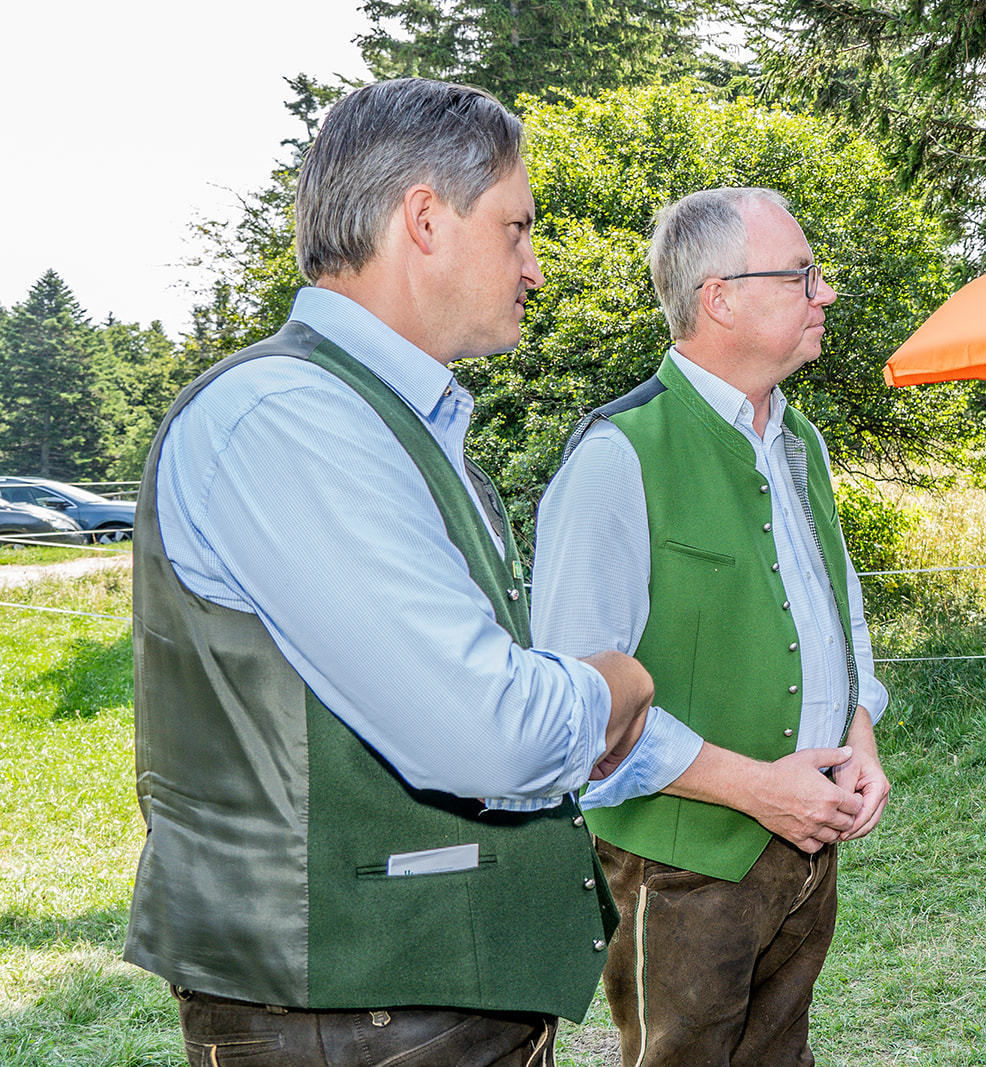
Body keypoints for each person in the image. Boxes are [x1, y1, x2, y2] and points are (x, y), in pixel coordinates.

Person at [124, 78, 655, 1066]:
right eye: (516, 227)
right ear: (423, 219)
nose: (535, 267)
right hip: (358, 1018)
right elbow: (486, 731)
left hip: (400, 1009)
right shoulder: (290, 419)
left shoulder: (370, 417)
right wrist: (618, 682)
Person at [528, 186, 892, 1065]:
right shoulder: (619, 454)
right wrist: (758, 788)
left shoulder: (799, 438)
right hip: (681, 863)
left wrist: (861, 733)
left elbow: (836, 609)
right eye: (802, 273)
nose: (825, 292)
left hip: (806, 850)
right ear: (719, 298)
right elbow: (576, 697)